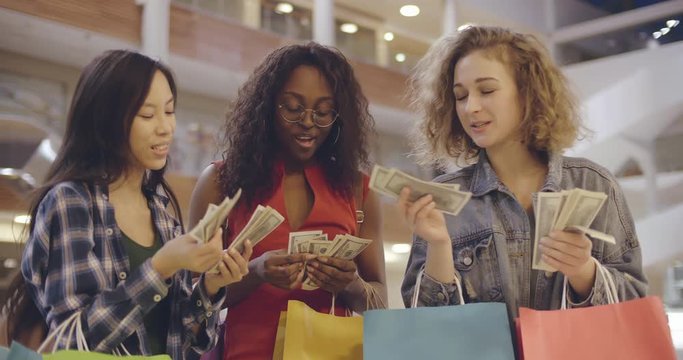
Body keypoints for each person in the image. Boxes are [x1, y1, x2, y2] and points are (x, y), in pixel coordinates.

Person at [399, 26, 647, 315]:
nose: (471, 107)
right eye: (460, 96)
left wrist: (583, 271)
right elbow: (425, 327)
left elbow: (635, 304)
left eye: (487, 90)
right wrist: (439, 246)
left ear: (528, 92)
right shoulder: (443, 200)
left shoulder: (593, 184)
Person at [20, 50, 252, 359]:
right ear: (106, 120)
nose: (166, 127)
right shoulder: (71, 202)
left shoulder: (161, 212)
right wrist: (160, 267)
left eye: (169, 112)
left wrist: (210, 287)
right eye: (147, 115)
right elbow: (76, 340)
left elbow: (189, 344)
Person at [189, 42, 387, 359]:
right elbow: (190, 302)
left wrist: (350, 285)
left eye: (323, 112)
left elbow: (379, 304)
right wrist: (254, 272)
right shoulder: (219, 183)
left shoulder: (358, 191)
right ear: (267, 107)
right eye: (293, 108)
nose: (308, 122)